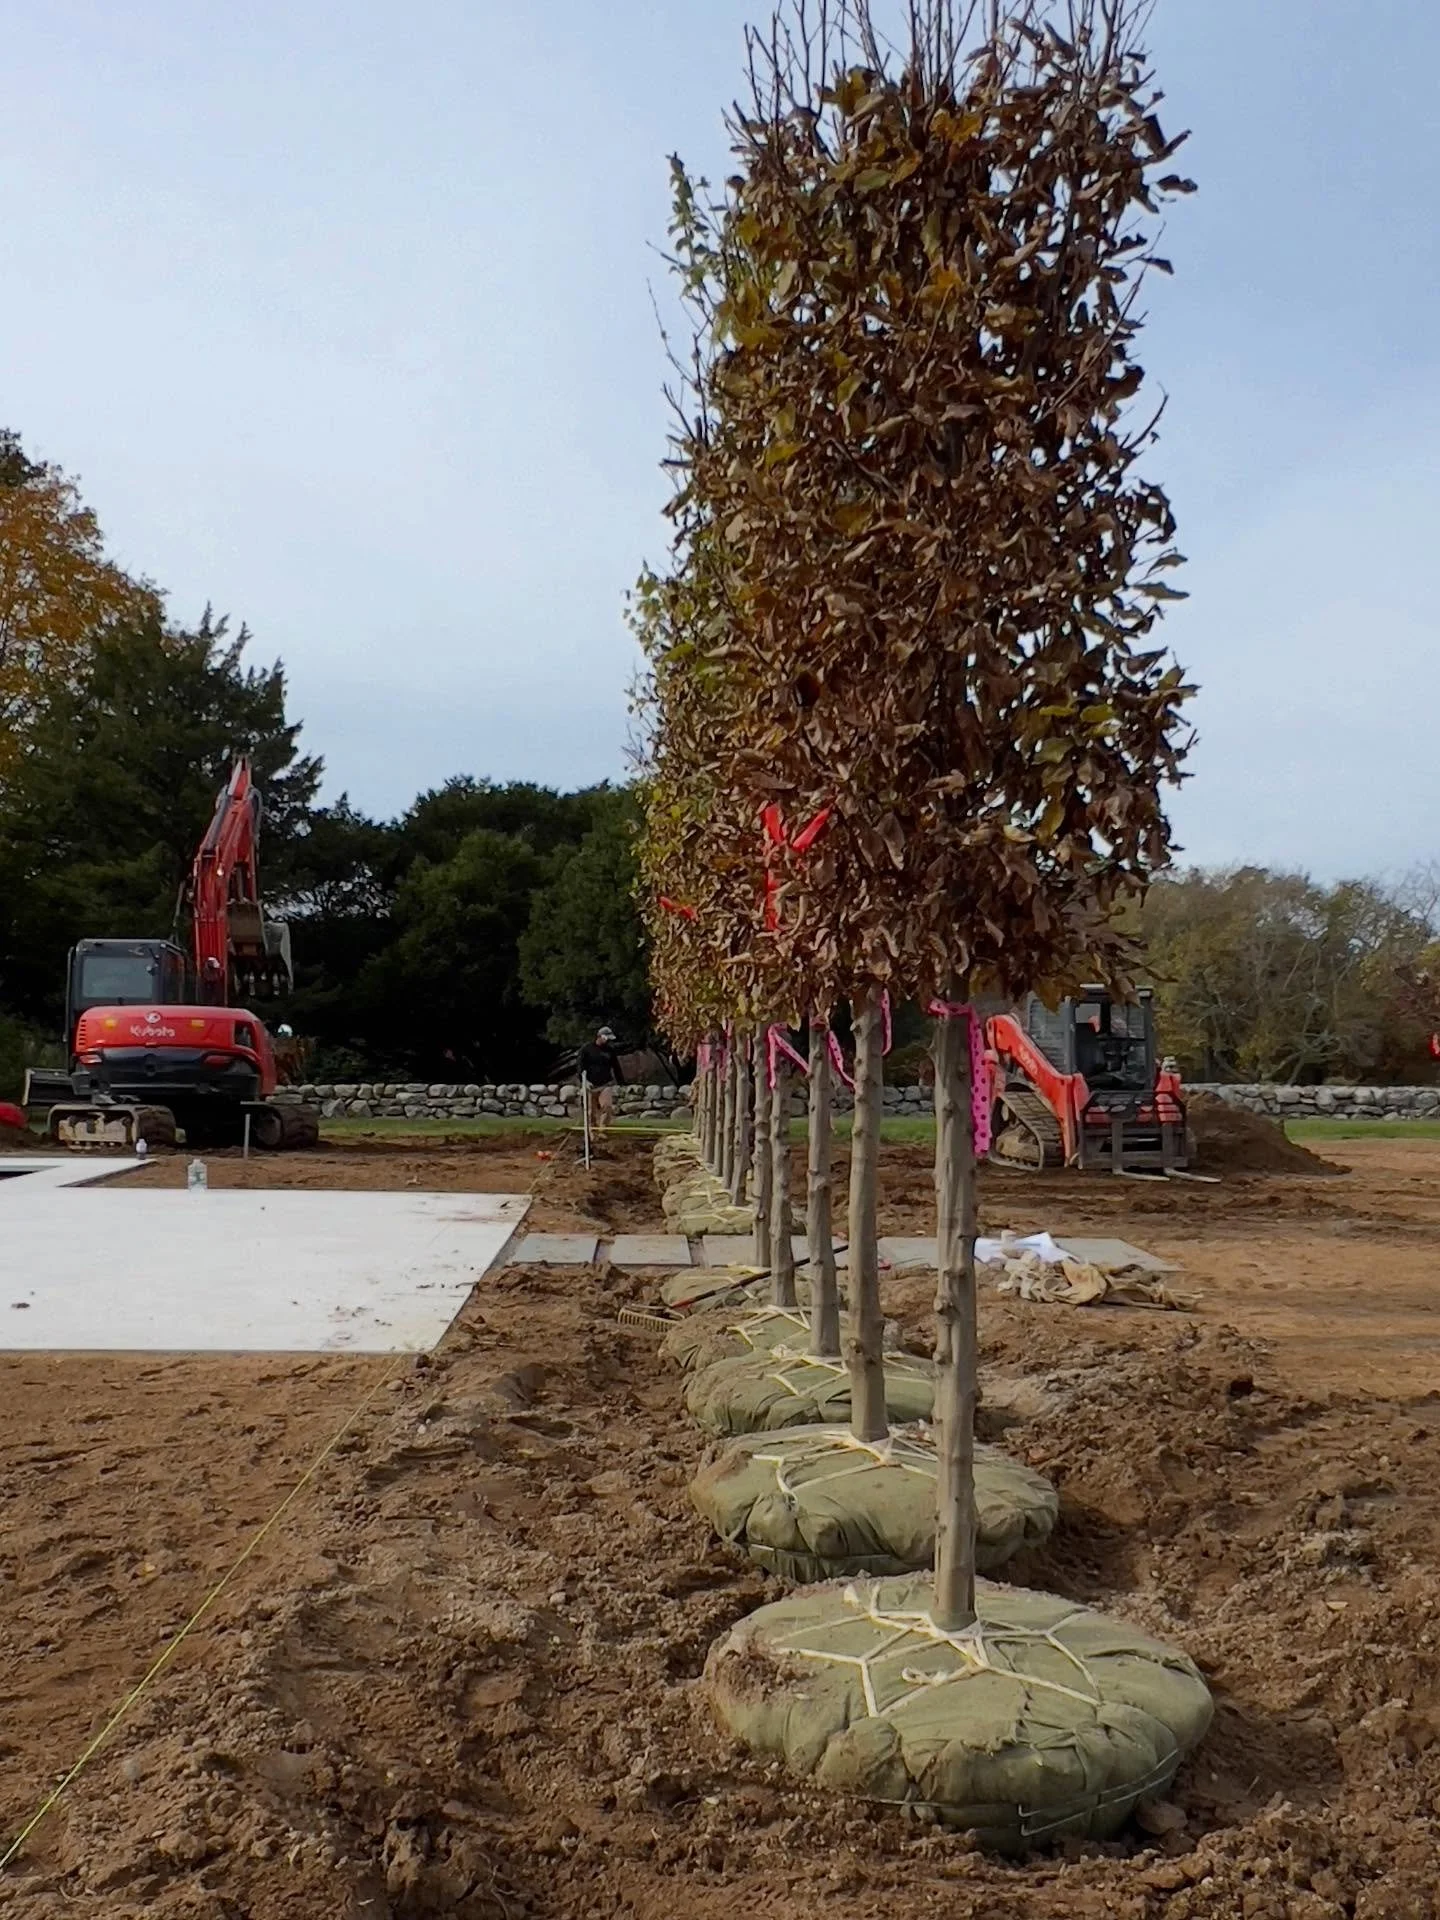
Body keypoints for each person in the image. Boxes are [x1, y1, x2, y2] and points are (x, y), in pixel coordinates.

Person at [577, 1026, 624, 1135]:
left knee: (607, 1106)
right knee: (590, 1111)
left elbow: (616, 1067)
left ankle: (603, 1130)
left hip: (605, 1084)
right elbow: (580, 1066)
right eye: (606, 1037)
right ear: (600, 1036)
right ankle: (591, 1132)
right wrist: (585, 1081)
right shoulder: (586, 1049)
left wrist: (621, 1082)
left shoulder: (610, 1051)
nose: (608, 1040)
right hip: (590, 1085)